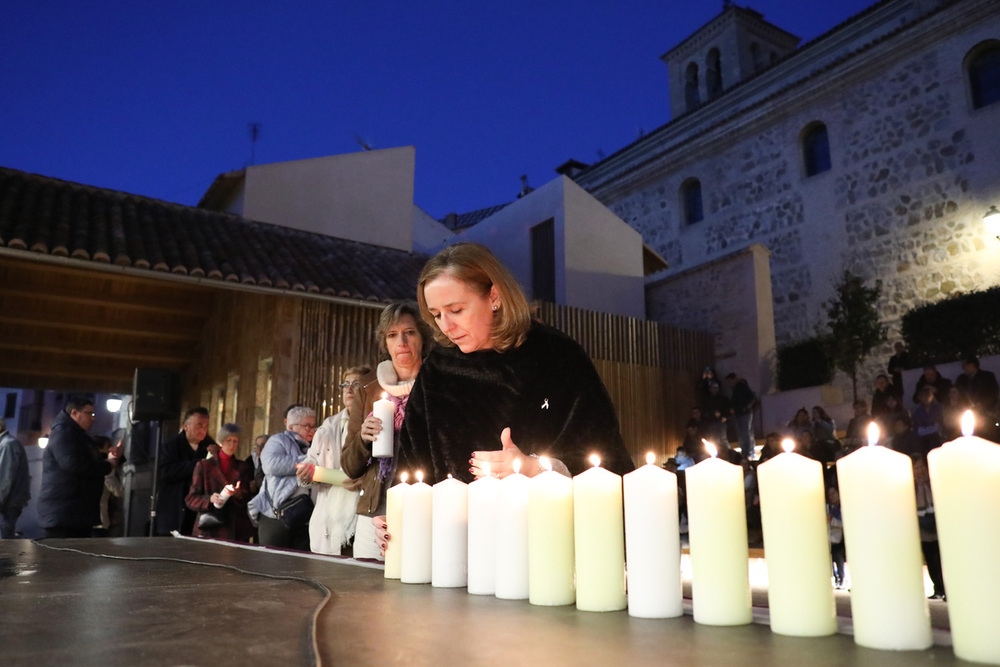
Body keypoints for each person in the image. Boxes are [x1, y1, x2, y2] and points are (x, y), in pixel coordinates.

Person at [379, 243, 635, 553]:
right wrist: (399, 513)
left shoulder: (555, 356)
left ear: (495, 298)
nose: (446, 325)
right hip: (457, 554)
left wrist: (535, 467)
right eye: (436, 314)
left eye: (456, 310)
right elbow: (412, 459)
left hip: (546, 549)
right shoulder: (438, 368)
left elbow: (604, 461)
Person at [341, 301, 433, 560]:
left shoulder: (436, 384)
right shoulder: (368, 388)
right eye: (392, 335)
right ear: (385, 342)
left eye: (409, 332)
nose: (401, 341)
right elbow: (349, 466)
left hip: (422, 511)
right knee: (366, 594)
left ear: (422, 338)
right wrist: (363, 439)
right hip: (373, 513)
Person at [297, 365, 372, 556]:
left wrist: (366, 480)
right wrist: (306, 473)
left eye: (356, 384)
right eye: (345, 384)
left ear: (368, 388)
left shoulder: (374, 422)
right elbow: (311, 461)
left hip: (360, 515)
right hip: (328, 518)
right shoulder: (328, 427)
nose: (349, 389)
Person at [37, 396, 119, 538]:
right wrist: (107, 465)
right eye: (89, 414)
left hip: (73, 511)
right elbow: (74, 464)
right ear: (74, 413)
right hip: (65, 511)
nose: (93, 418)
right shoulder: (64, 433)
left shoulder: (75, 434)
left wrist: (110, 459)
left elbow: (84, 460)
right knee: (63, 556)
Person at [248, 405, 316, 550]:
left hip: (305, 515)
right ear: (291, 426)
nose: (311, 430)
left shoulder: (316, 445)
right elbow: (271, 465)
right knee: (272, 562)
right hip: (276, 514)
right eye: (307, 426)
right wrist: (308, 461)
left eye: (313, 425)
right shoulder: (278, 440)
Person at [185, 423, 254, 542]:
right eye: (228, 440)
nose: (232, 445)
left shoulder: (242, 467)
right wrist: (210, 499)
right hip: (210, 525)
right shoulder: (204, 466)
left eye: (235, 441)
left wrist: (238, 493)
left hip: (235, 527)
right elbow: (191, 499)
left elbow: (248, 496)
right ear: (221, 442)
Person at [155, 407, 213, 536]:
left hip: (198, 509)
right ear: (186, 426)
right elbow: (165, 472)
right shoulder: (171, 446)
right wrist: (198, 464)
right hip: (174, 508)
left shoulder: (209, 446)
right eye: (198, 425)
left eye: (206, 426)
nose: (203, 430)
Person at [912, 455, 945, 600]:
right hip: (923, 529)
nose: (919, 471)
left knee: (942, 560)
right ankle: (937, 588)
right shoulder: (912, 487)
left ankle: (946, 588)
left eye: (921, 467)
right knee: (931, 560)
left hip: (939, 525)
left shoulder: (933, 483)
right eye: (916, 468)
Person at [0, 417, 31, 539]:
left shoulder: (7, 445)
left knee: (3, 544)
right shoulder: (7, 444)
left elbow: (4, 479)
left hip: (6, 505)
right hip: (8, 504)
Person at [91, 435, 124, 537]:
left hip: (91, 519)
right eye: (108, 446)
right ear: (100, 449)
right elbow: (118, 491)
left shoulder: (89, 464)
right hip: (99, 520)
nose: (111, 449)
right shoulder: (103, 468)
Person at [725, 372, 757, 460]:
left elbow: (752, 397)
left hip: (745, 413)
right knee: (741, 433)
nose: (729, 384)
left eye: (729, 381)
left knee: (746, 433)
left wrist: (745, 406)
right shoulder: (735, 389)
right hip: (738, 413)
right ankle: (745, 451)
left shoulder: (742, 386)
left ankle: (749, 452)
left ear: (734, 379)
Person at [911, 385, 944, 455]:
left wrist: (932, 428)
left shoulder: (939, 408)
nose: (925, 398)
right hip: (922, 439)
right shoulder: (918, 411)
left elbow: (939, 426)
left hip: (937, 437)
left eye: (927, 395)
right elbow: (918, 429)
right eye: (923, 396)